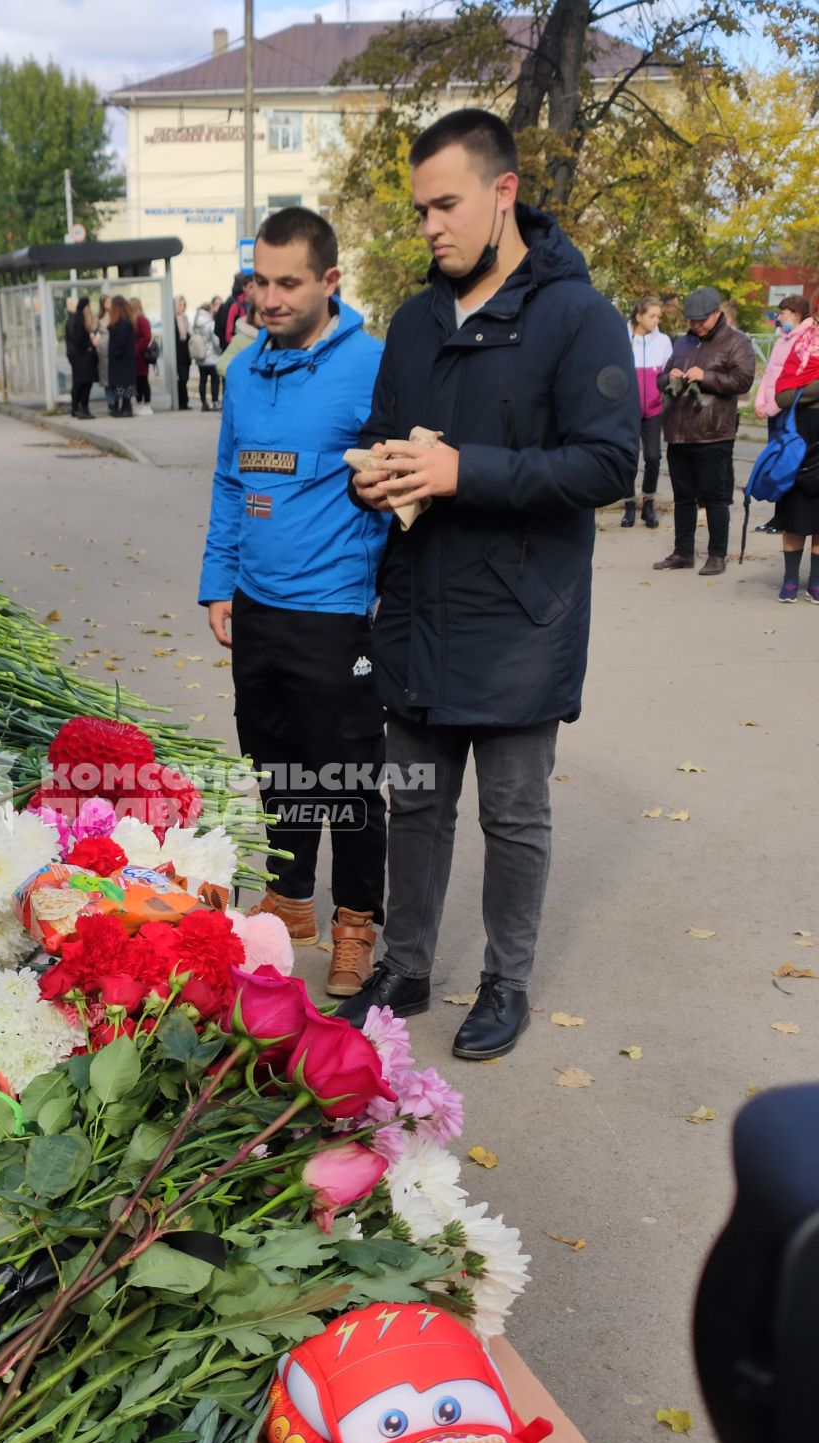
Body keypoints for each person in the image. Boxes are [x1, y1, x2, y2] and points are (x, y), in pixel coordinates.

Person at [344, 107, 636, 1060]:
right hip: (420, 604)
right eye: (420, 208)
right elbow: (389, 433)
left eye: (447, 204)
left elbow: (606, 464)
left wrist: (464, 473)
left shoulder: (578, 316)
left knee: (514, 814)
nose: (430, 226)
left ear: (504, 192)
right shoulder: (415, 320)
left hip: (520, 616)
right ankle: (408, 964)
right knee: (416, 801)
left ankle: (506, 982)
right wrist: (376, 473)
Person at [199, 206, 387, 999]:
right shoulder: (244, 368)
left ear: (329, 282)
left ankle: (356, 922)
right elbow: (230, 481)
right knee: (275, 764)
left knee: (342, 774)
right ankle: (292, 903)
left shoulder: (373, 365)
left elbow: (401, 481)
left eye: (288, 283)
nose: (268, 300)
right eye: (259, 282)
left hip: (338, 608)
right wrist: (219, 579)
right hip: (258, 608)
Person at [652, 287, 755, 576]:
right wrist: (667, 378)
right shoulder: (682, 343)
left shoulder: (736, 342)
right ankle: (683, 552)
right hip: (679, 431)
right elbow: (663, 376)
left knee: (715, 497)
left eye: (701, 320)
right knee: (683, 496)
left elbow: (743, 380)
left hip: (713, 432)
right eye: (691, 320)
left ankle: (716, 554)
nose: (695, 325)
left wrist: (705, 377)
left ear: (717, 313)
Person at [772, 296, 819, 602]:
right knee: (795, 508)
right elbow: (782, 395)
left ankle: (815, 580)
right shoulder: (802, 341)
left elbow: (794, 394)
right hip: (798, 438)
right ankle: (790, 579)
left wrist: (801, 393)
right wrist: (810, 392)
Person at [755, 295, 811, 534]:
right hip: (773, 408)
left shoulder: (803, 341)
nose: (779, 318)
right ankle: (777, 517)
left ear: (796, 314)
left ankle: (785, 516)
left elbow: (791, 381)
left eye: (783, 313)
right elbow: (769, 374)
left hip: (786, 410)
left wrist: (774, 406)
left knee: (788, 464)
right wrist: (761, 401)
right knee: (775, 463)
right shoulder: (782, 339)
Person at [624, 295, 672, 527]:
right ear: (639, 316)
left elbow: (667, 374)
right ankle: (629, 505)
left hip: (653, 410)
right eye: (652, 316)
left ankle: (649, 504)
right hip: (628, 411)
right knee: (629, 458)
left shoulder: (663, 342)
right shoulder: (622, 338)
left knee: (653, 456)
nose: (656, 321)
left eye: (658, 316)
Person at [64, 295, 97, 419]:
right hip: (81, 357)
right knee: (83, 383)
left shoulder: (75, 319)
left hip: (78, 356)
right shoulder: (78, 320)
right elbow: (78, 339)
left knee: (81, 383)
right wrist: (88, 347)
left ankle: (78, 408)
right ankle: (82, 408)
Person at [105, 295, 135, 417]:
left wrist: (114, 353)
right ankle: (125, 407)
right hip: (125, 360)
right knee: (123, 384)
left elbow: (120, 342)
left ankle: (124, 408)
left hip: (120, 360)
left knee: (120, 384)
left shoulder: (121, 322)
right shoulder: (126, 321)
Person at [215, 299, 262, 375]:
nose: (265, 315)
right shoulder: (242, 337)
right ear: (253, 314)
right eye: (260, 312)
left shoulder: (282, 339)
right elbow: (223, 365)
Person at [191, 300, 222, 411]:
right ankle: (214, 402)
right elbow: (215, 340)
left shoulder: (195, 323)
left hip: (200, 356)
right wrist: (220, 351)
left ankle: (204, 403)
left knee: (203, 380)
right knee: (215, 380)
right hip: (212, 357)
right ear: (209, 310)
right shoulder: (210, 323)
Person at [128, 297, 154, 415]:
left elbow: (147, 337)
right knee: (137, 381)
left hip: (141, 357)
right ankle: (139, 403)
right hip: (135, 357)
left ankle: (147, 403)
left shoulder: (141, 320)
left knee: (143, 380)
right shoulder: (133, 320)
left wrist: (137, 348)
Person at [218, 276, 249, 350]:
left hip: (228, 344)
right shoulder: (237, 304)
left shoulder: (229, 301)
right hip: (235, 345)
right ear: (243, 287)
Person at [173, 295, 192, 410]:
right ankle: (180, 401)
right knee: (181, 378)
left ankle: (184, 402)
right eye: (180, 305)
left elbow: (188, 334)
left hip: (186, 352)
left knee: (185, 378)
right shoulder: (172, 319)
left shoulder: (185, 318)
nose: (182, 307)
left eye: (184, 305)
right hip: (177, 352)